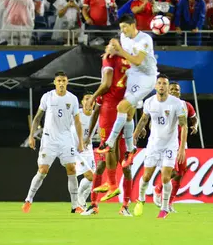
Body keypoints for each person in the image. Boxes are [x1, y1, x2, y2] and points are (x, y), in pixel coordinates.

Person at [97, 14, 158, 172]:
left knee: (121, 108)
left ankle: (109, 143)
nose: (122, 30)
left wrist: (118, 51)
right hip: (132, 76)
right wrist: (110, 48)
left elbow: (137, 60)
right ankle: (130, 150)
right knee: (129, 114)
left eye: (125, 27)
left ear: (133, 25)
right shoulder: (123, 37)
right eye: (121, 27)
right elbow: (115, 45)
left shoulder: (145, 40)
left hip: (146, 78)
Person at [82, 46, 133, 216]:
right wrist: (89, 135)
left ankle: (125, 206)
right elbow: (96, 113)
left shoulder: (122, 90)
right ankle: (94, 205)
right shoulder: (104, 93)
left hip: (122, 133)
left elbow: (131, 111)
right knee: (100, 166)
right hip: (108, 129)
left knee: (126, 169)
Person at [23, 71, 84, 213]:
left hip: (66, 139)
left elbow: (77, 122)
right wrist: (31, 136)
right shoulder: (48, 97)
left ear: (67, 82)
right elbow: (37, 117)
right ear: (55, 82)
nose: (61, 83)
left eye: (64, 80)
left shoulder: (73, 99)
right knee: (43, 170)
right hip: (49, 139)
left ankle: (75, 206)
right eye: (59, 81)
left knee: (72, 169)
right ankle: (28, 200)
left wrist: (80, 141)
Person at [132, 74, 187, 219]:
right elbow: (144, 120)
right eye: (159, 83)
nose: (162, 86)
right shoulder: (149, 102)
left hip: (170, 145)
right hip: (153, 145)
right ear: (156, 86)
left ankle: (164, 208)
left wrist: (181, 148)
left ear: (168, 87)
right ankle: (141, 199)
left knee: (165, 177)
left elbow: (184, 125)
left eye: (164, 83)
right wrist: (134, 136)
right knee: (146, 176)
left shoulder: (177, 103)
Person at [151, 82, 197, 212]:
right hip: (167, 144)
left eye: (177, 90)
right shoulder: (162, 105)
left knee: (180, 173)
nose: (175, 91)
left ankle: (170, 203)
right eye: (172, 89)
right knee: (173, 171)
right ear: (168, 91)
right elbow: (153, 122)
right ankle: (158, 188)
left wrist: (195, 125)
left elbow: (194, 119)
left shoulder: (186, 105)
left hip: (181, 143)